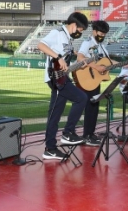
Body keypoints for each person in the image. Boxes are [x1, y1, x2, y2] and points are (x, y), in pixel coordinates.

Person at [37, 12, 89, 160]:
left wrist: (79, 65)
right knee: (81, 98)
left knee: (55, 115)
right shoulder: (57, 33)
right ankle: (68, 133)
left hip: (62, 78)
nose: (80, 33)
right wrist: (58, 57)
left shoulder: (68, 39)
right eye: (80, 30)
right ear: (74, 25)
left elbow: (66, 66)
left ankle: (51, 148)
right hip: (55, 78)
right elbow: (40, 45)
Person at [76, 20, 110, 146]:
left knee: (94, 108)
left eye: (104, 34)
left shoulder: (101, 45)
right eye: (101, 33)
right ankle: (86, 135)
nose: (102, 36)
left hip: (96, 80)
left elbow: (108, 60)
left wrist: (126, 62)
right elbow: (80, 57)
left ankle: (91, 133)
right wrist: (96, 67)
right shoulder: (87, 42)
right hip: (87, 79)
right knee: (90, 108)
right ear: (94, 31)